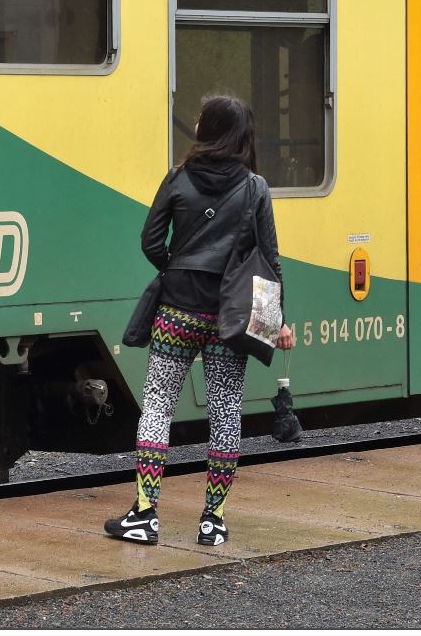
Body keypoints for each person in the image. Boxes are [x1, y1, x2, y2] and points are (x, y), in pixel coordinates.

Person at [104, 94, 294, 547]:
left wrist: (179, 267)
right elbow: (269, 261)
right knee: (226, 411)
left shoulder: (177, 178)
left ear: (207, 131)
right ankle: (214, 521)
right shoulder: (255, 187)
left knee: (156, 407)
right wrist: (278, 323)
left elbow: (151, 242)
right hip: (229, 319)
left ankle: (145, 515)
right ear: (242, 136)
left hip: (176, 312)